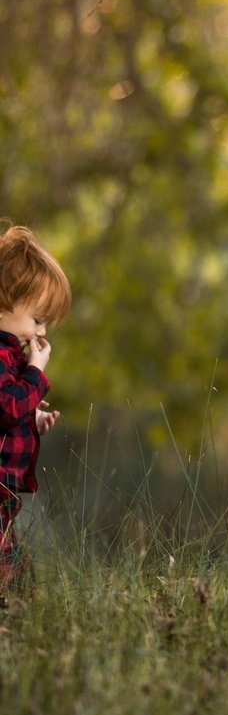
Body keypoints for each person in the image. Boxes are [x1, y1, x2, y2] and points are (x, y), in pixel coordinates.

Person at [0, 224, 71, 591]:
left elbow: (10, 413)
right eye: (38, 319)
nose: (42, 332)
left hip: (5, 492)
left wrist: (34, 416)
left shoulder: (10, 359)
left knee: (15, 570)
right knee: (10, 573)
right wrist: (35, 374)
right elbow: (9, 406)